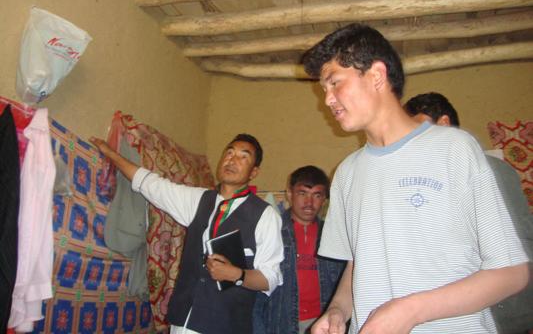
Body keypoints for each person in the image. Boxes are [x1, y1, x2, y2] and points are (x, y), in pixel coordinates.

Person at [300, 23, 530, 334]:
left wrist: (410, 311)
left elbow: (511, 273)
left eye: (334, 83)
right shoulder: (347, 173)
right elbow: (359, 264)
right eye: (324, 90)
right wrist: (338, 311)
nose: (327, 99)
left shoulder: (454, 148)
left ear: (376, 75)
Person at [90, 133, 283, 334]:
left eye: (243, 157)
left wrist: (237, 274)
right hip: (183, 320)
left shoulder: (265, 215)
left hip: (225, 324)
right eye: (229, 153)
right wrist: (110, 153)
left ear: (254, 172)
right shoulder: (198, 199)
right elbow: (150, 184)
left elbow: (270, 277)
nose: (232, 160)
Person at [405, 91, 533, 334]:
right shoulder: (436, 176)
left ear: (444, 123)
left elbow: (519, 242)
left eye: (417, 128)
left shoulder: (489, 169)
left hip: (503, 312)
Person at [254, 166, 345, 334]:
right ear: (290, 194)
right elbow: (258, 293)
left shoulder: (334, 235)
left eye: (317, 195)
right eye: (303, 193)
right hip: (280, 323)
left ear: (324, 199)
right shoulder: (271, 232)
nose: (309, 203)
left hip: (324, 324)